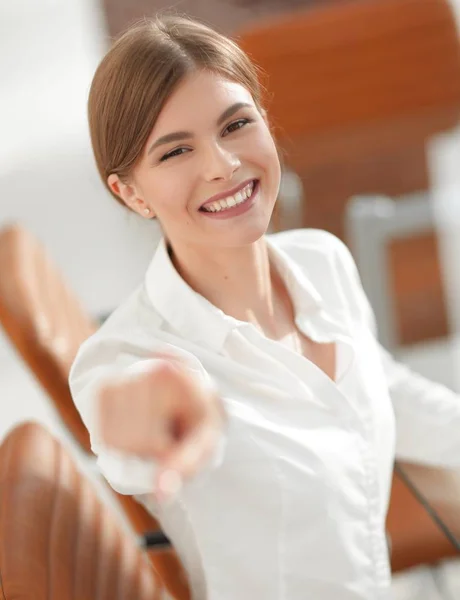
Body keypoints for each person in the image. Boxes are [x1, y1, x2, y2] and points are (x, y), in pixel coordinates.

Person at [69, 14, 460, 600]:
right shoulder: (127, 355)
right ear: (130, 192)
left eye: (236, 124)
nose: (222, 164)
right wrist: (153, 415)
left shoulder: (321, 261)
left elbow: (388, 389)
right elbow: (133, 423)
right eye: (175, 152)